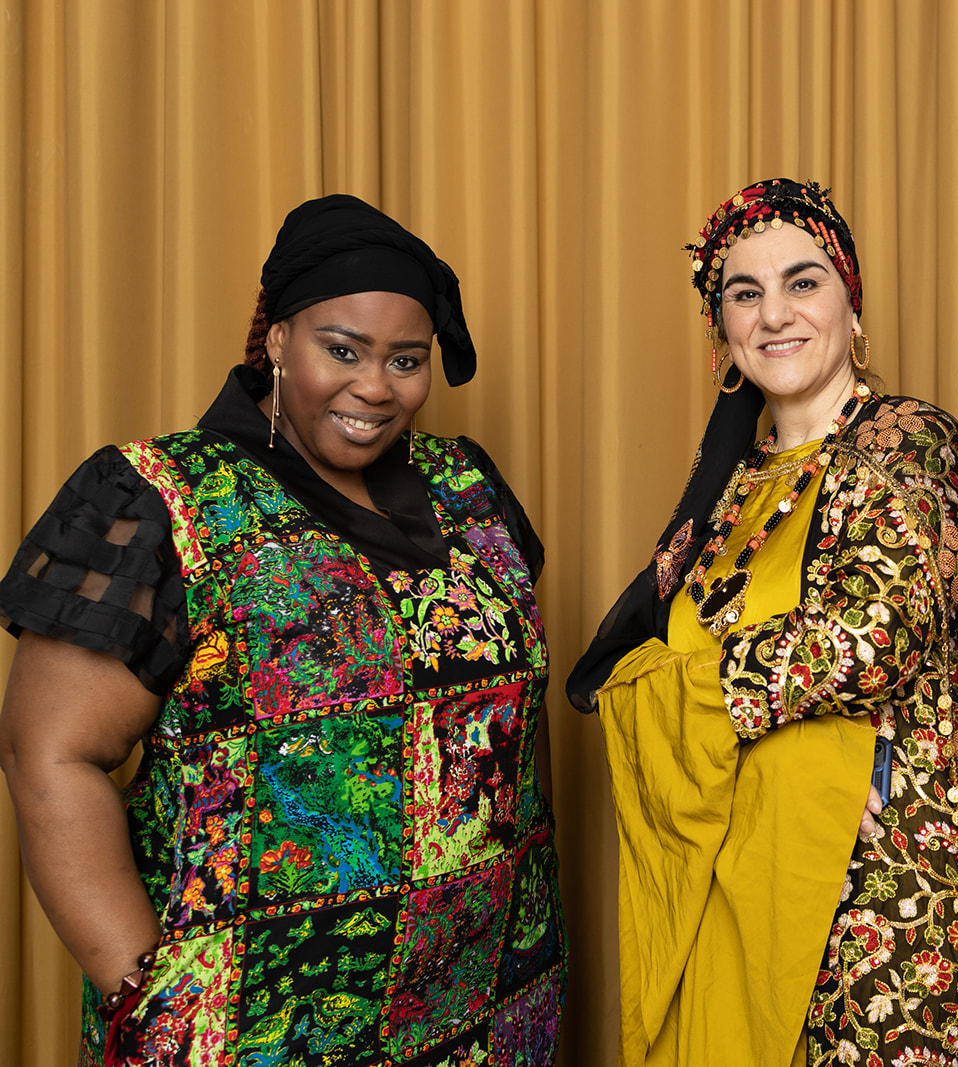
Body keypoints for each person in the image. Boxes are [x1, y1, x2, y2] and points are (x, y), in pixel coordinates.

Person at [0, 194, 566, 1065]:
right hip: (255, 1027)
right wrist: (144, 998)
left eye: (406, 360)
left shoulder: (468, 487)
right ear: (276, 340)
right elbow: (48, 752)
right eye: (342, 350)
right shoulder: (166, 498)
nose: (374, 387)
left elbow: (511, 719)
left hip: (484, 1006)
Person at [568, 178, 958, 1067]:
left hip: (892, 915)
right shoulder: (731, 491)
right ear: (722, 330)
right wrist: (745, 727)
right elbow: (632, 664)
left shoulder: (909, 441)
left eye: (802, 281)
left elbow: (870, 638)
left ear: (852, 307)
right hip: (754, 893)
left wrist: (692, 699)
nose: (775, 314)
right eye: (744, 293)